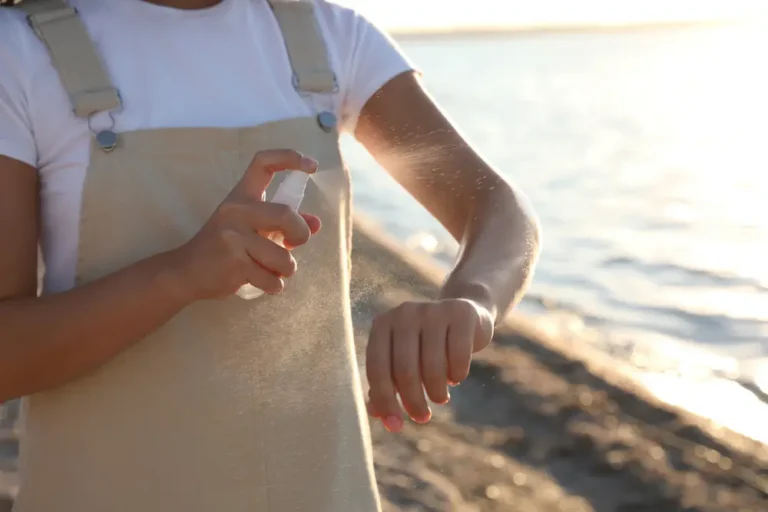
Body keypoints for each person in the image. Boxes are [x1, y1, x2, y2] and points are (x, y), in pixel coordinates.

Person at [0, 0, 541, 510]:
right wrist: (177, 277)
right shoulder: (20, 52)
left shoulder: (330, 37)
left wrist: (471, 302)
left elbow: (497, 209)